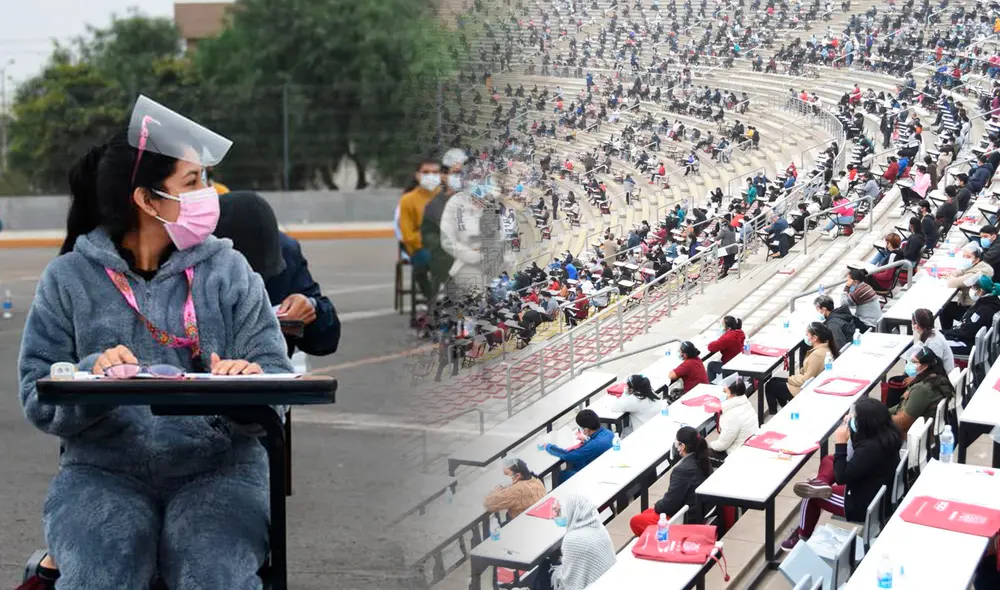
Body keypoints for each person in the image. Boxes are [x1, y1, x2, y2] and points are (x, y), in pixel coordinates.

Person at [19, 97, 290, 588]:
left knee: (211, 573)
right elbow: (36, 393)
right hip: (102, 472)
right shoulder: (68, 279)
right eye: (193, 183)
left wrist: (251, 384)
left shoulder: (231, 272)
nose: (209, 194)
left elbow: (274, 371)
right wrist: (85, 372)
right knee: (104, 570)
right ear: (147, 200)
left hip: (220, 471)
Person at [215, 192, 340, 357]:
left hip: (272, 375)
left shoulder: (287, 254)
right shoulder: (189, 258)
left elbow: (325, 342)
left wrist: (310, 310)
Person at [781, 398, 901, 550]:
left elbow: (841, 477)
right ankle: (821, 484)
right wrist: (851, 432)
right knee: (829, 460)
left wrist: (840, 443)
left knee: (810, 497)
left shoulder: (870, 449)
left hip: (862, 504)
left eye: (856, 417)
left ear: (865, 423)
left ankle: (801, 537)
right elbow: (854, 456)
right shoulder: (886, 435)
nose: (852, 419)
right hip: (874, 491)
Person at [628, 426, 713, 535]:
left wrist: (657, 505)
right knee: (646, 513)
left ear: (682, 446)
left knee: (636, 521)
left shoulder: (682, 470)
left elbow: (669, 504)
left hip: (685, 519)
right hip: (697, 511)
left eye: (677, 443)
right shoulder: (703, 459)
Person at [532, 494, 616, 590]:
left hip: (592, 585)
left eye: (560, 512)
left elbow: (570, 581)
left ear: (571, 512)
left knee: (544, 568)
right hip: (607, 580)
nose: (557, 516)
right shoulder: (598, 527)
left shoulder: (572, 539)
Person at [765, 322, 836, 415]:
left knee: (770, 386)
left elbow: (806, 379)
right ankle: (784, 408)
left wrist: (790, 379)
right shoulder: (825, 348)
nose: (806, 337)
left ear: (815, 338)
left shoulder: (817, 355)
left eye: (807, 334)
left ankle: (774, 413)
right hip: (808, 382)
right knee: (774, 380)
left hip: (804, 388)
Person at [398, 158, 443, 301]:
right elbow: (408, 234)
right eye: (426, 172)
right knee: (424, 264)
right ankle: (431, 300)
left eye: (435, 172)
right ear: (417, 175)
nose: (431, 176)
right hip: (419, 247)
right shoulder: (407, 200)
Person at [889, 348, 955, 433]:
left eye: (913, 362)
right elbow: (901, 406)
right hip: (925, 428)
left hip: (913, 433)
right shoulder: (936, 377)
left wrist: (880, 418)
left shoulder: (922, 389)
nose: (909, 364)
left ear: (924, 366)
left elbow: (903, 422)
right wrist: (882, 411)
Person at [545, 409, 613, 482]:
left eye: (581, 429)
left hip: (597, 476)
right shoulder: (609, 433)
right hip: (606, 467)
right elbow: (595, 444)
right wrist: (587, 440)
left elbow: (569, 455)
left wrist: (549, 447)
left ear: (586, 430)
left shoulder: (594, 444)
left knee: (563, 475)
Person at [941, 276, 1000, 356]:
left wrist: (947, 332)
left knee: (936, 344)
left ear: (981, 291)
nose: (971, 290)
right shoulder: (988, 301)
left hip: (969, 344)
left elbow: (967, 332)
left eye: (973, 288)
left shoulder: (984, 310)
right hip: (969, 337)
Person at [941, 243, 992, 329]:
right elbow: (962, 271)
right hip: (974, 305)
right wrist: (952, 274)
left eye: (968, 257)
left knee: (944, 309)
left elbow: (952, 283)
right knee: (947, 306)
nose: (965, 259)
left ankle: (947, 332)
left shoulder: (976, 273)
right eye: (963, 256)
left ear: (976, 260)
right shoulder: (979, 266)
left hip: (972, 309)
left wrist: (951, 277)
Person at [709, 378, 757, 460]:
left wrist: (711, 444)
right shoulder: (746, 403)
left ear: (731, 394)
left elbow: (722, 445)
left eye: (725, 391)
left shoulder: (731, 415)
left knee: (702, 450)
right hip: (748, 444)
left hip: (736, 452)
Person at [706, 316, 745, 381]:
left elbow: (711, 347)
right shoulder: (739, 332)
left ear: (728, 328)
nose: (721, 327)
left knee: (711, 365)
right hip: (737, 362)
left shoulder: (728, 337)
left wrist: (722, 337)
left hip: (730, 366)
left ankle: (711, 387)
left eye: (722, 325)